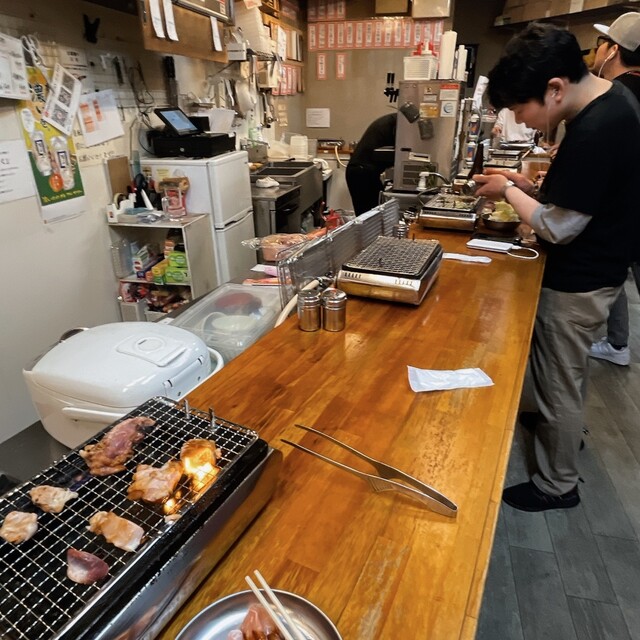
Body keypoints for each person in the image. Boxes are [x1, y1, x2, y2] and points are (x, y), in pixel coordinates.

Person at [472, 23, 640, 512]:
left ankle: (557, 484)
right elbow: (580, 197)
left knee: (559, 383)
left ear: (555, 88)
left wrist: (508, 191)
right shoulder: (610, 105)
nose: (521, 120)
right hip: (598, 270)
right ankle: (561, 428)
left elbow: (559, 227)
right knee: (563, 374)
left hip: (580, 280)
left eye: (521, 109)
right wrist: (524, 185)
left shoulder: (596, 129)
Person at [587, 12, 640, 366]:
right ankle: (618, 344)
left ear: (613, 50)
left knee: (613, 269)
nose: (595, 54)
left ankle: (619, 345)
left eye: (600, 45)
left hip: (627, 210)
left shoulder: (617, 95)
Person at [346, 113, 397, 215]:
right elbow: (400, 152)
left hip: (362, 171)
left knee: (373, 213)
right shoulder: (396, 124)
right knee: (369, 216)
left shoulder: (391, 121)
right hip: (361, 172)